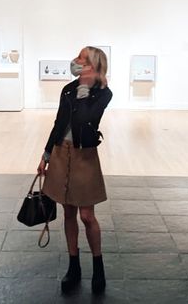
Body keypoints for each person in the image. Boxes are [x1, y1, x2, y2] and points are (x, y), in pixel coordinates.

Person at [37, 46, 112, 295]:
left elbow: (86, 119)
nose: (75, 60)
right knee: (68, 213)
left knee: (87, 216)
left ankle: (98, 267)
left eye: (81, 58)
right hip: (61, 154)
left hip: (84, 156)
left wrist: (86, 87)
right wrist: (46, 155)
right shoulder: (67, 89)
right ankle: (74, 266)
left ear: (92, 64)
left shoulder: (103, 93)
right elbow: (59, 123)